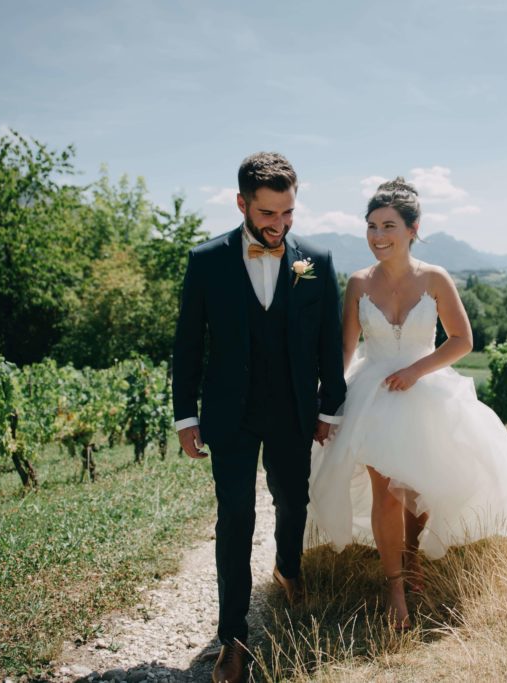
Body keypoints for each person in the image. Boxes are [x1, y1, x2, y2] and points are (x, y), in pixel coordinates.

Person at [305, 178, 507, 629]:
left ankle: (412, 560)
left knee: (416, 489)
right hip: (372, 395)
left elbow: (463, 340)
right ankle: (394, 587)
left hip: (424, 388)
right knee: (385, 493)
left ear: (413, 229)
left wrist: (417, 371)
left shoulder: (435, 278)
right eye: (371, 226)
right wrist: (329, 402)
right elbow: (345, 350)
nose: (378, 236)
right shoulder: (357, 283)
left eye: (388, 226)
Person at [172, 152, 345, 682]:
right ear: (242, 203)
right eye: (269, 214)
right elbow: (188, 345)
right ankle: (233, 637)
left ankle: (287, 566)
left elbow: (328, 343)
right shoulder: (206, 261)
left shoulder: (315, 260)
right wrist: (185, 417)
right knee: (235, 520)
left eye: (288, 213)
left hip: (294, 411)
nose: (280, 225)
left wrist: (329, 407)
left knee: (293, 501)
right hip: (231, 414)